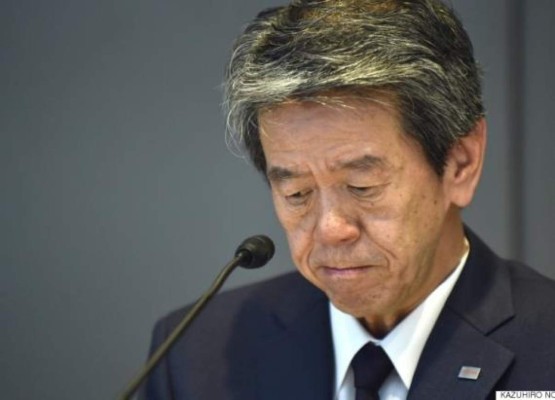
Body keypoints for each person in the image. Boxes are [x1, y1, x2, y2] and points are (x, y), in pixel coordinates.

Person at [142, 0, 555, 398]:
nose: (330, 229)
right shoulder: (196, 358)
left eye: (362, 186)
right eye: (297, 193)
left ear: (460, 163)